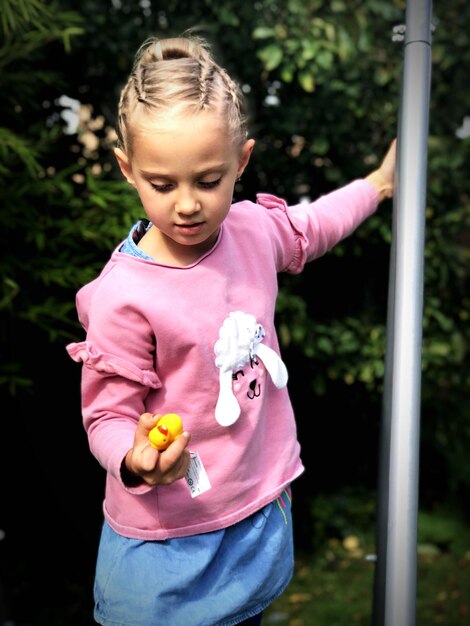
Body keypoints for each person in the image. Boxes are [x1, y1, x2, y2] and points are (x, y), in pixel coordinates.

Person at [66, 32, 396, 626]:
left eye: (209, 180)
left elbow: (314, 225)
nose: (187, 204)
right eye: (162, 184)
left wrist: (376, 185)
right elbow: (107, 415)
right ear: (128, 170)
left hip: (254, 515)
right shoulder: (124, 296)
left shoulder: (252, 232)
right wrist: (137, 462)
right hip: (166, 550)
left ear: (240, 162)